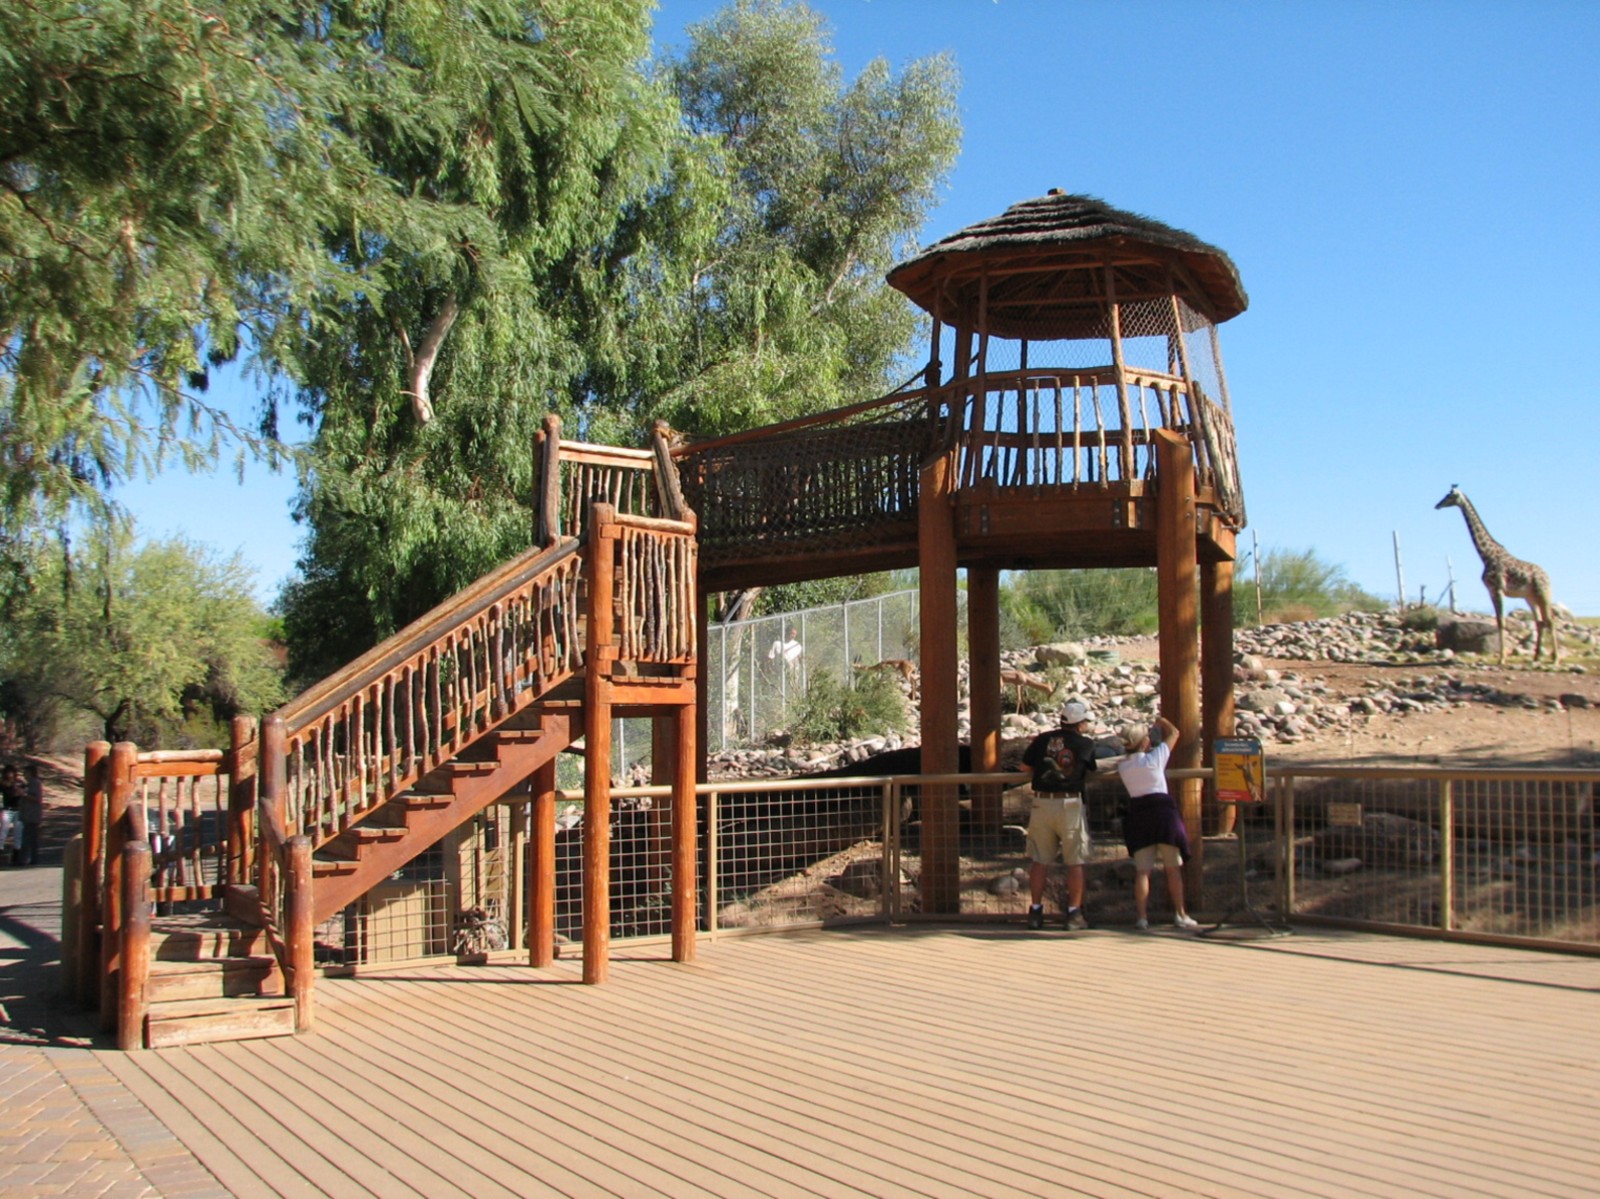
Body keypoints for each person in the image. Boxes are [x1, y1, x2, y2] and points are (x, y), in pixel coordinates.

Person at [1018, 700, 1099, 930]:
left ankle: (1035, 912)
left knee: (1039, 860)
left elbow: (1024, 767)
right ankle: (1074, 914)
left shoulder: (1043, 739)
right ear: (1079, 723)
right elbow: (1090, 768)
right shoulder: (1085, 744)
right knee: (1075, 861)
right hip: (1070, 804)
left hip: (1042, 803)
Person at [1116, 715, 1198, 931]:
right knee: (1173, 869)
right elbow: (1175, 734)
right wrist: (1162, 720)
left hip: (1139, 815)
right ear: (1144, 742)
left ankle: (1142, 917)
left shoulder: (1124, 767)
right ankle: (1180, 914)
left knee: (1143, 871)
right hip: (1163, 814)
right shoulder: (1155, 759)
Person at [20, 762, 43, 867]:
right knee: (31, 838)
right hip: (27, 815)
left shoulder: (35, 783)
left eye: (25, 772)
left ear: (30, 773)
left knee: (27, 838)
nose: (24, 774)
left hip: (32, 815)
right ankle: (32, 859)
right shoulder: (28, 784)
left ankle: (24, 860)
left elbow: (37, 798)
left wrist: (23, 794)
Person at [0, 764, 20, 865]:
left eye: (11, 772)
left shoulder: (18, 783)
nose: (10, 774)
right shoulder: (2, 784)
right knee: (3, 831)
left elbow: (24, 794)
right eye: (8, 772)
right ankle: (1, 850)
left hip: (18, 810)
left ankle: (16, 856)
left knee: (18, 833)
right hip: (7, 809)